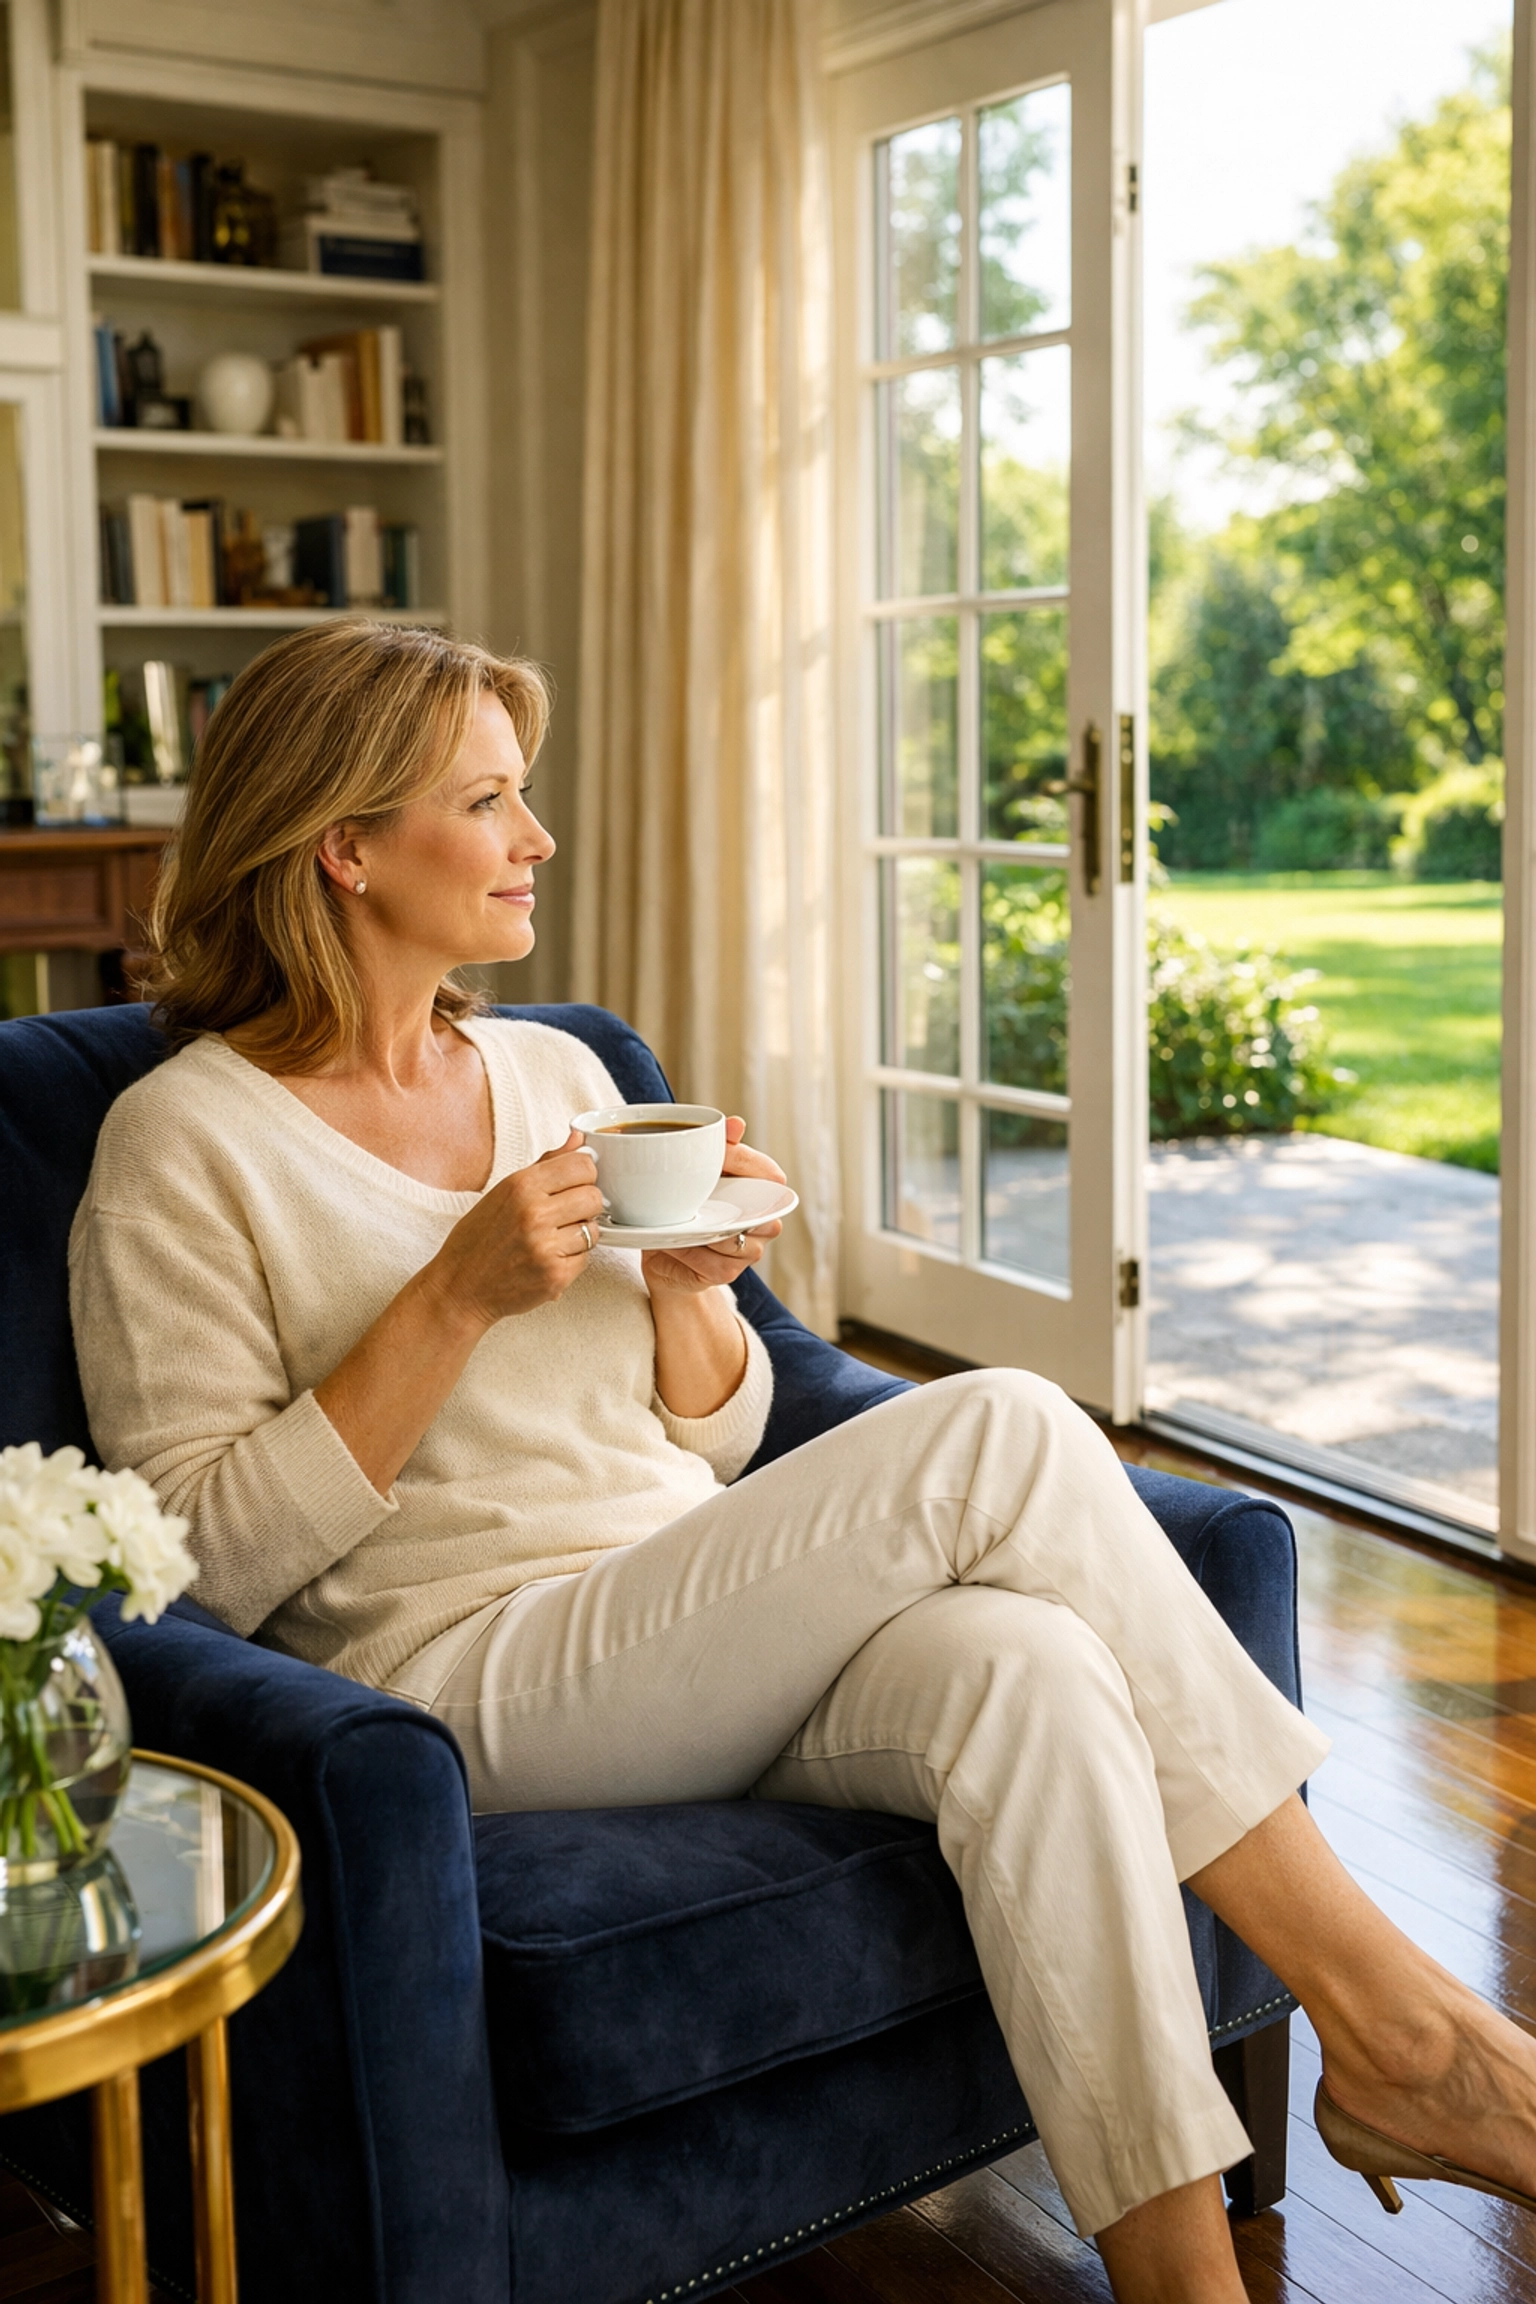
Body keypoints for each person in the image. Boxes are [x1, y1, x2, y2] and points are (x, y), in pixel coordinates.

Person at [70, 622, 1536, 2304]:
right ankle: (1401, 2028)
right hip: (453, 1681)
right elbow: (173, 1565)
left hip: (676, 1616)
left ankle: (1185, 2280)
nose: (539, 839)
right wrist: (448, 1304)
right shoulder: (181, 1140)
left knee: (1031, 1667)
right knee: (1000, 1428)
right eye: (490, 801)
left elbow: (720, 1434)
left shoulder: (555, 1073)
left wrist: (699, 1301)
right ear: (344, 846)